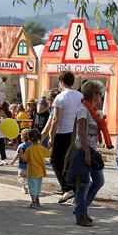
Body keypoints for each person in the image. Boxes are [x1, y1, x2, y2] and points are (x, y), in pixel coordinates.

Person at [42, 71, 83, 202]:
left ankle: (67, 188)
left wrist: (51, 138)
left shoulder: (60, 97)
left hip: (62, 132)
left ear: (61, 82)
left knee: (55, 161)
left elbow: (55, 120)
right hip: (75, 133)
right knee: (71, 163)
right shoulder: (80, 96)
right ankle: (75, 191)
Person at [71, 81, 107, 226]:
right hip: (83, 149)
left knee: (99, 181)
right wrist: (86, 152)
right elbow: (81, 132)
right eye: (98, 93)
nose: (101, 96)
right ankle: (80, 216)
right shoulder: (83, 109)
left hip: (92, 149)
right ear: (93, 94)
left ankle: (82, 208)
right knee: (85, 183)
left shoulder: (94, 111)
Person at [20, 128, 50, 208]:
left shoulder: (29, 149)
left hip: (32, 171)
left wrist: (21, 154)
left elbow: (24, 159)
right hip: (41, 171)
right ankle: (37, 200)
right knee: (38, 186)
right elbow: (48, 154)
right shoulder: (41, 148)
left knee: (32, 187)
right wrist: (51, 146)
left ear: (29, 138)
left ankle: (33, 202)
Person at [10, 128, 31, 194]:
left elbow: (18, 155)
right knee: (28, 177)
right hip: (31, 166)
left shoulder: (22, 146)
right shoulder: (33, 145)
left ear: (22, 137)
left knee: (21, 177)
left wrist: (12, 161)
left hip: (23, 166)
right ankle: (25, 189)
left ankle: (27, 184)